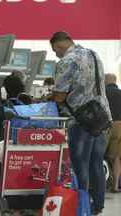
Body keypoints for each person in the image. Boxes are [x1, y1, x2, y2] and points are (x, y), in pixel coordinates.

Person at [49, 31, 111, 215]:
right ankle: (97, 206)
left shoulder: (67, 61)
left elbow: (60, 95)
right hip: (101, 117)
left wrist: (48, 97)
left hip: (81, 120)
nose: (56, 55)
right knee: (96, 164)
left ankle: (81, 206)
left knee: (80, 165)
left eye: (55, 51)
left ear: (60, 45)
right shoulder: (93, 54)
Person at [104, 73, 121, 192]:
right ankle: (115, 186)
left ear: (105, 80)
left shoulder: (102, 92)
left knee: (98, 155)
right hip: (120, 126)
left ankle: (97, 185)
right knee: (116, 157)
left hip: (105, 125)